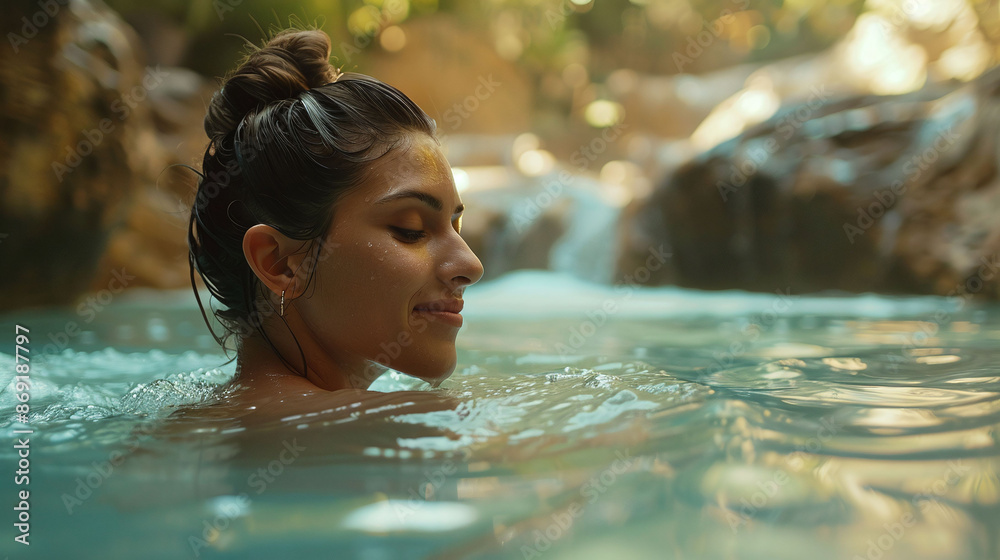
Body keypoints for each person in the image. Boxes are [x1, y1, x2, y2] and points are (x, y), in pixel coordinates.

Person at [187, 27, 484, 417]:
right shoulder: (358, 428)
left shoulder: (208, 418)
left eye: (455, 226)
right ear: (279, 262)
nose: (471, 266)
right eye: (411, 230)